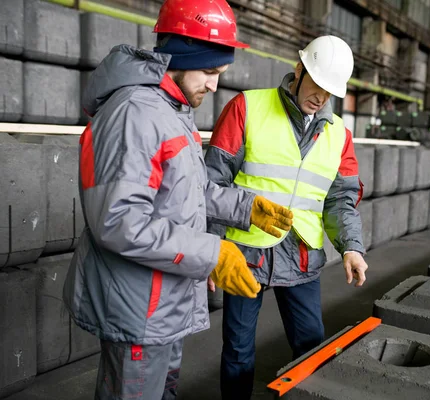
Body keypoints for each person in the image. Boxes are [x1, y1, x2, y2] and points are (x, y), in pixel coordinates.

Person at [62, 0, 294, 399]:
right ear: (180, 56)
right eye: (209, 71)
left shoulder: (172, 108)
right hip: (138, 305)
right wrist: (213, 253)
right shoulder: (136, 113)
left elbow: (187, 191)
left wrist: (245, 207)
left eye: (219, 73)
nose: (215, 85)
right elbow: (119, 222)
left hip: (164, 303)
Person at [204, 35, 369, 400]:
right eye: (317, 85)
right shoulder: (247, 107)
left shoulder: (339, 135)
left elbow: (340, 200)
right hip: (245, 254)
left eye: (330, 92)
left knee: (312, 347)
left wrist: (351, 248)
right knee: (237, 351)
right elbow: (211, 183)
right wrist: (209, 247)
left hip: (302, 256)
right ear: (299, 70)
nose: (321, 98)